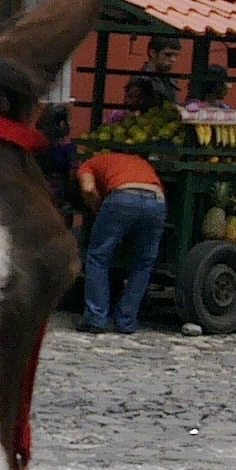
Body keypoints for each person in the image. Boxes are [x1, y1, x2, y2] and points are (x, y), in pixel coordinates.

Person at [75, 142, 168, 334]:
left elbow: (88, 189)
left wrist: (97, 208)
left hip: (122, 197)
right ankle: (126, 321)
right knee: (143, 264)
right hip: (156, 201)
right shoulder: (138, 161)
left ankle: (96, 318)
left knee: (97, 256)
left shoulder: (88, 164)